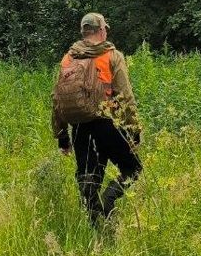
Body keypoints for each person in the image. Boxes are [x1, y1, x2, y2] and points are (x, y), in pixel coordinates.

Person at [52, 13, 142, 228]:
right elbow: (125, 95)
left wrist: (62, 137)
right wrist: (134, 130)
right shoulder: (112, 55)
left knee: (89, 181)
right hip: (107, 123)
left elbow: (57, 99)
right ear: (102, 30)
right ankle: (110, 198)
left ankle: (96, 232)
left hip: (80, 128)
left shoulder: (69, 59)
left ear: (84, 32)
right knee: (133, 169)